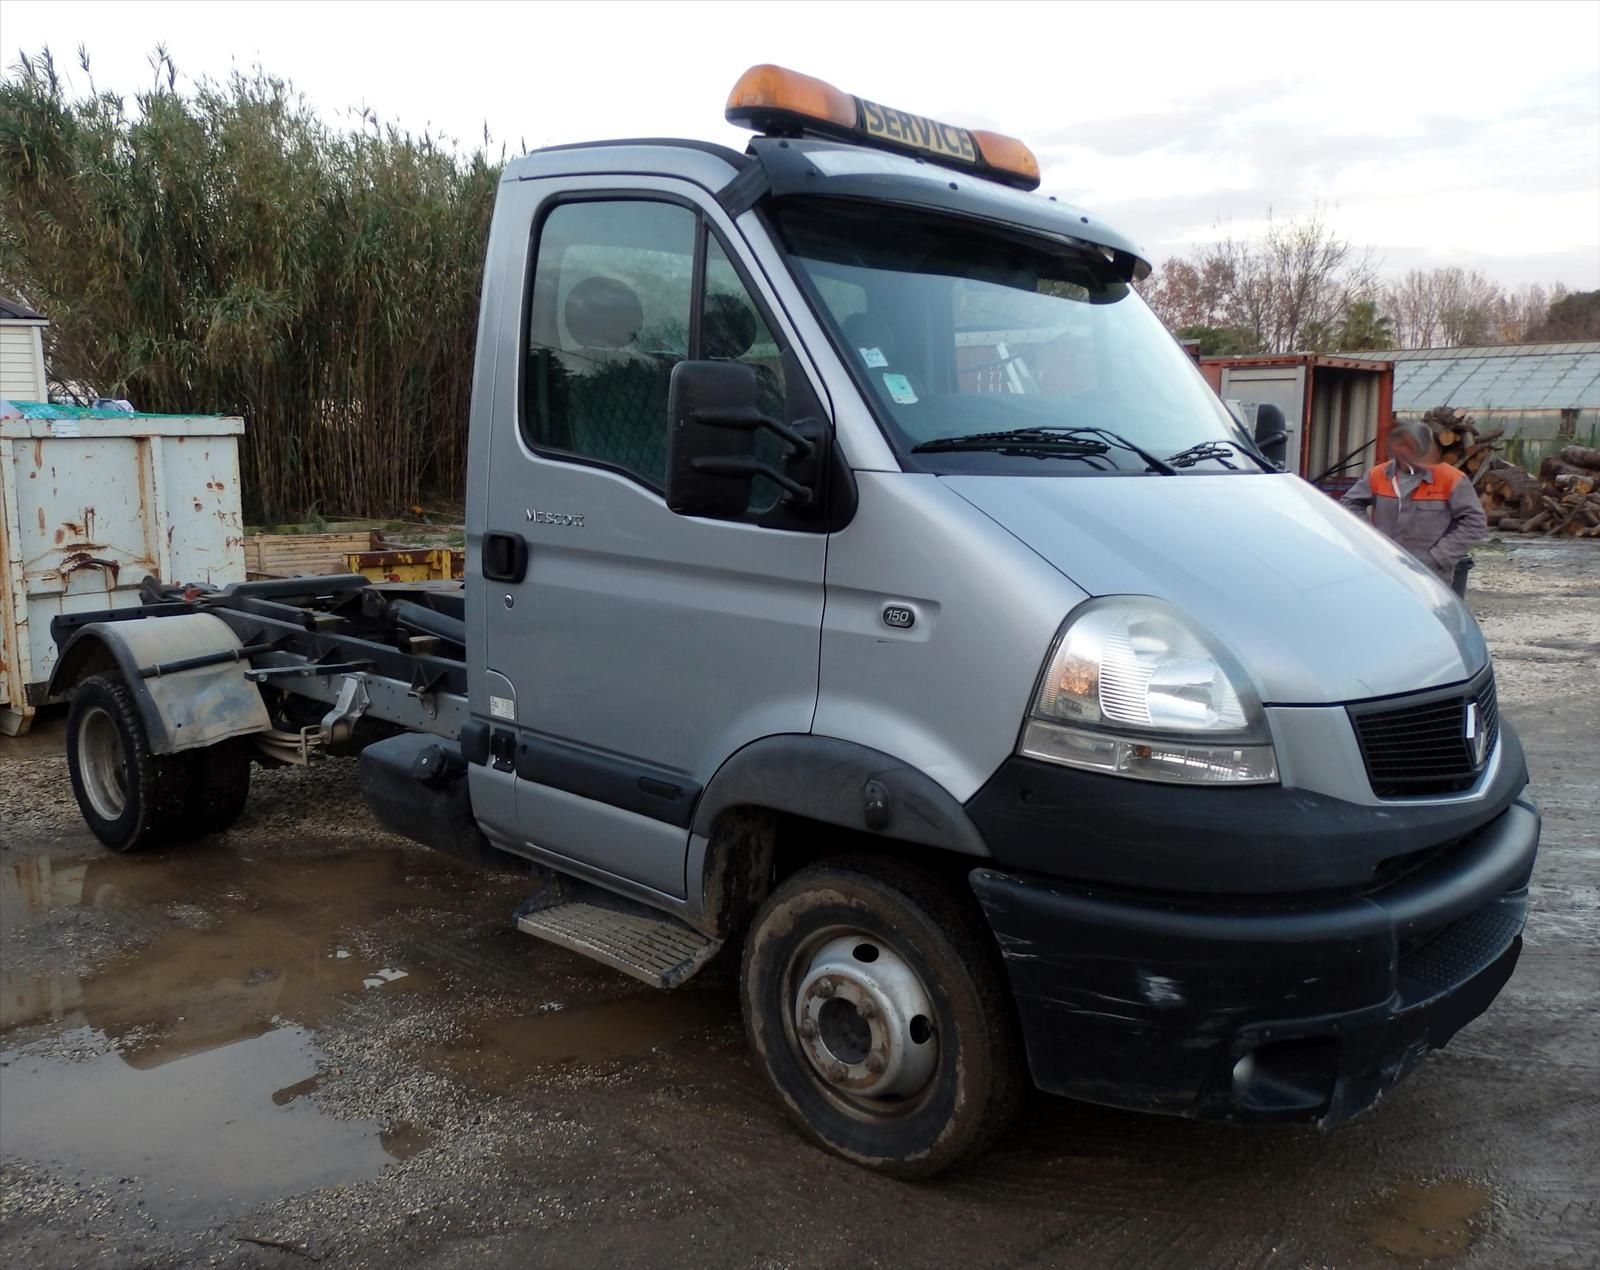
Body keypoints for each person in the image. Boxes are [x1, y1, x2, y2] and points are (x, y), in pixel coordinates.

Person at [1341, 418, 1487, 596]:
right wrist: (1371, 539)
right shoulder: (1378, 475)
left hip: (1432, 577)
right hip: (1384, 570)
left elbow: (1475, 523)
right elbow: (1349, 504)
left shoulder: (1451, 479)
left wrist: (1437, 557)